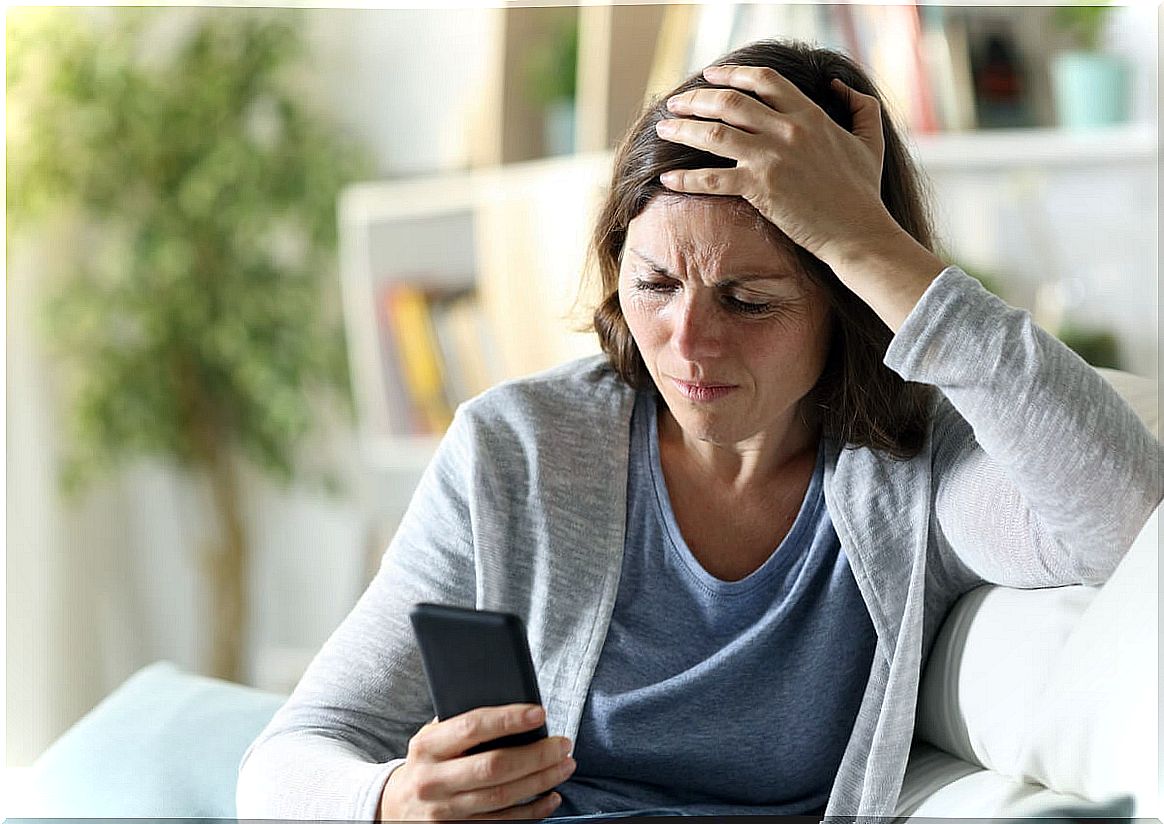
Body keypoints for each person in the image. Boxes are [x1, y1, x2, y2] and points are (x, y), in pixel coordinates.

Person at [235, 39, 1162, 821]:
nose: (687, 343)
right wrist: (392, 799)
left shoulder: (916, 467)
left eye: (749, 301)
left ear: (847, 305)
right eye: (654, 285)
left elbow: (1126, 517)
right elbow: (290, 757)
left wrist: (868, 239)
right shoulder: (519, 448)